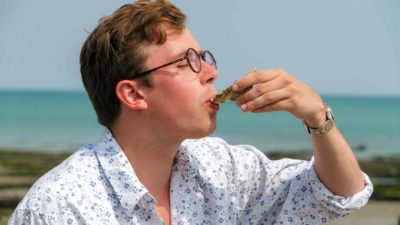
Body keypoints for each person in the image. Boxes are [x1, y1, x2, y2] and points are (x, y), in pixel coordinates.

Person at [9, 0, 373, 224]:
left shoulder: (221, 169)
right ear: (133, 94)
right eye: (187, 62)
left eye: (204, 56)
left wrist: (317, 118)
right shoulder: (59, 208)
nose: (211, 71)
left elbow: (338, 195)